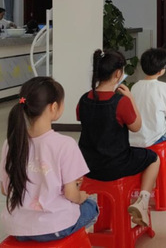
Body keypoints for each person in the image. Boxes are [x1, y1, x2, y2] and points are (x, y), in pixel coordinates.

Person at [0, 77, 99, 242]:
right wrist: (81, 196)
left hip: (17, 228)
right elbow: (71, 194)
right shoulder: (65, 144)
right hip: (54, 227)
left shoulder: (10, 143)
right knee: (91, 206)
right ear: (54, 107)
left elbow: (5, 189)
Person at [77, 50, 160, 227]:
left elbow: (82, 118)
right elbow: (136, 126)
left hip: (87, 166)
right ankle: (143, 202)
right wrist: (131, 98)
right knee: (153, 158)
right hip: (115, 165)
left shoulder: (83, 99)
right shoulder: (120, 101)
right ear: (117, 74)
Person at [129, 48, 166, 147]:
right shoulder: (163, 87)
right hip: (155, 138)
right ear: (161, 71)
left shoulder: (135, 86)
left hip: (135, 137)